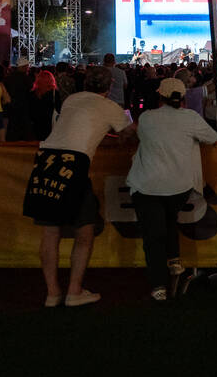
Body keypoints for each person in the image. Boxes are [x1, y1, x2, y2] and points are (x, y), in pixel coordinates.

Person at [22, 65, 134, 308]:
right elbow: (129, 135)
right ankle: (74, 291)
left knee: (50, 232)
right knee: (84, 232)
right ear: (110, 86)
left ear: (85, 83)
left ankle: (52, 293)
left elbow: (81, 127)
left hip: (46, 160)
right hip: (73, 165)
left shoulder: (71, 99)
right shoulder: (111, 108)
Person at [126, 77, 217, 302]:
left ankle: (159, 285)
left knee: (153, 236)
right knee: (168, 219)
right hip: (179, 186)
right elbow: (212, 138)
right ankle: (174, 260)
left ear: (160, 96)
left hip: (147, 186)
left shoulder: (147, 118)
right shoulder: (190, 118)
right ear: (183, 97)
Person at [27, 69, 61, 142]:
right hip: (50, 121)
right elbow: (58, 108)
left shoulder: (32, 93)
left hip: (36, 122)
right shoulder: (54, 93)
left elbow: (29, 108)